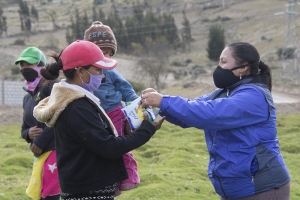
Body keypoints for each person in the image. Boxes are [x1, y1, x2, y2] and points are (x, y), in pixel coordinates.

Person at [141, 42, 290, 200]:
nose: (219, 67)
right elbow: (192, 112)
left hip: (262, 188)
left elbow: (209, 114)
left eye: (224, 62)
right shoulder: (224, 92)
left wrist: (164, 101)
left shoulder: (254, 96)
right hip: (236, 189)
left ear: (243, 67)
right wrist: (158, 105)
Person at [33, 40, 164, 200]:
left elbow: (97, 141)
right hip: (88, 192)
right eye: (98, 70)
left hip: (88, 189)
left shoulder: (78, 102)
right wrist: (146, 131)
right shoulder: (76, 107)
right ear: (80, 71)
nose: (102, 77)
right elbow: (108, 147)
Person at [83, 21, 140, 195]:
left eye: (108, 53)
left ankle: (130, 175)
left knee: (118, 145)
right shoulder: (85, 73)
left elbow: (125, 88)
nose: (104, 57)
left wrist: (136, 103)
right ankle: (111, 182)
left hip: (114, 111)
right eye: (101, 53)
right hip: (96, 114)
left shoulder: (110, 71)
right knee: (103, 149)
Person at [15, 46, 60, 200]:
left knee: (50, 195)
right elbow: (24, 128)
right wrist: (28, 133)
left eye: (29, 64)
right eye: (22, 65)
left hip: (55, 150)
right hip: (39, 153)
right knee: (39, 194)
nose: (24, 68)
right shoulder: (27, 98)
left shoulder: (51, 86)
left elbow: (58, 115)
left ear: (41, 65)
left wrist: (40, 140)